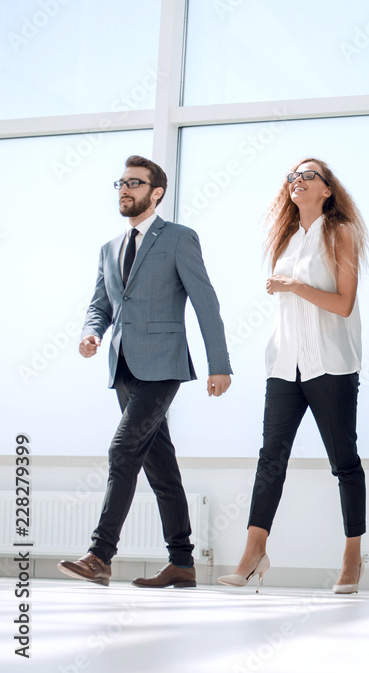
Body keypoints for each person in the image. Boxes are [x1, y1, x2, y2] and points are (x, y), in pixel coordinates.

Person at [58, 155, 232, 588]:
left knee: (122, 451)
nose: (124, 189)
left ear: (156, 193)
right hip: (124, 366)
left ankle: (100, 554)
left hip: (164, 365)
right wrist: (90, 333)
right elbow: (100, 305)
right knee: (161, 467)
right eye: (120, 182)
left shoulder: (177, 238)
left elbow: (205, 302)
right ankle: (183, 562)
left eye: (134, 183)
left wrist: (220, 364)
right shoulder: (109, 249)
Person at [218, 158, 369, 593]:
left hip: (331, 365)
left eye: (307, 176)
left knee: (344, 461)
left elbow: (343, 304)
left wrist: (292, 286)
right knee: (271, 459)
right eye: (291, 177)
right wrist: (288, 285)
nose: (297, 181)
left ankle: (352, 556)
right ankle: (253, 552)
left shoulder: (341, 233)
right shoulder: (285, 239)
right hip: (284, 365)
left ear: (327, 189)